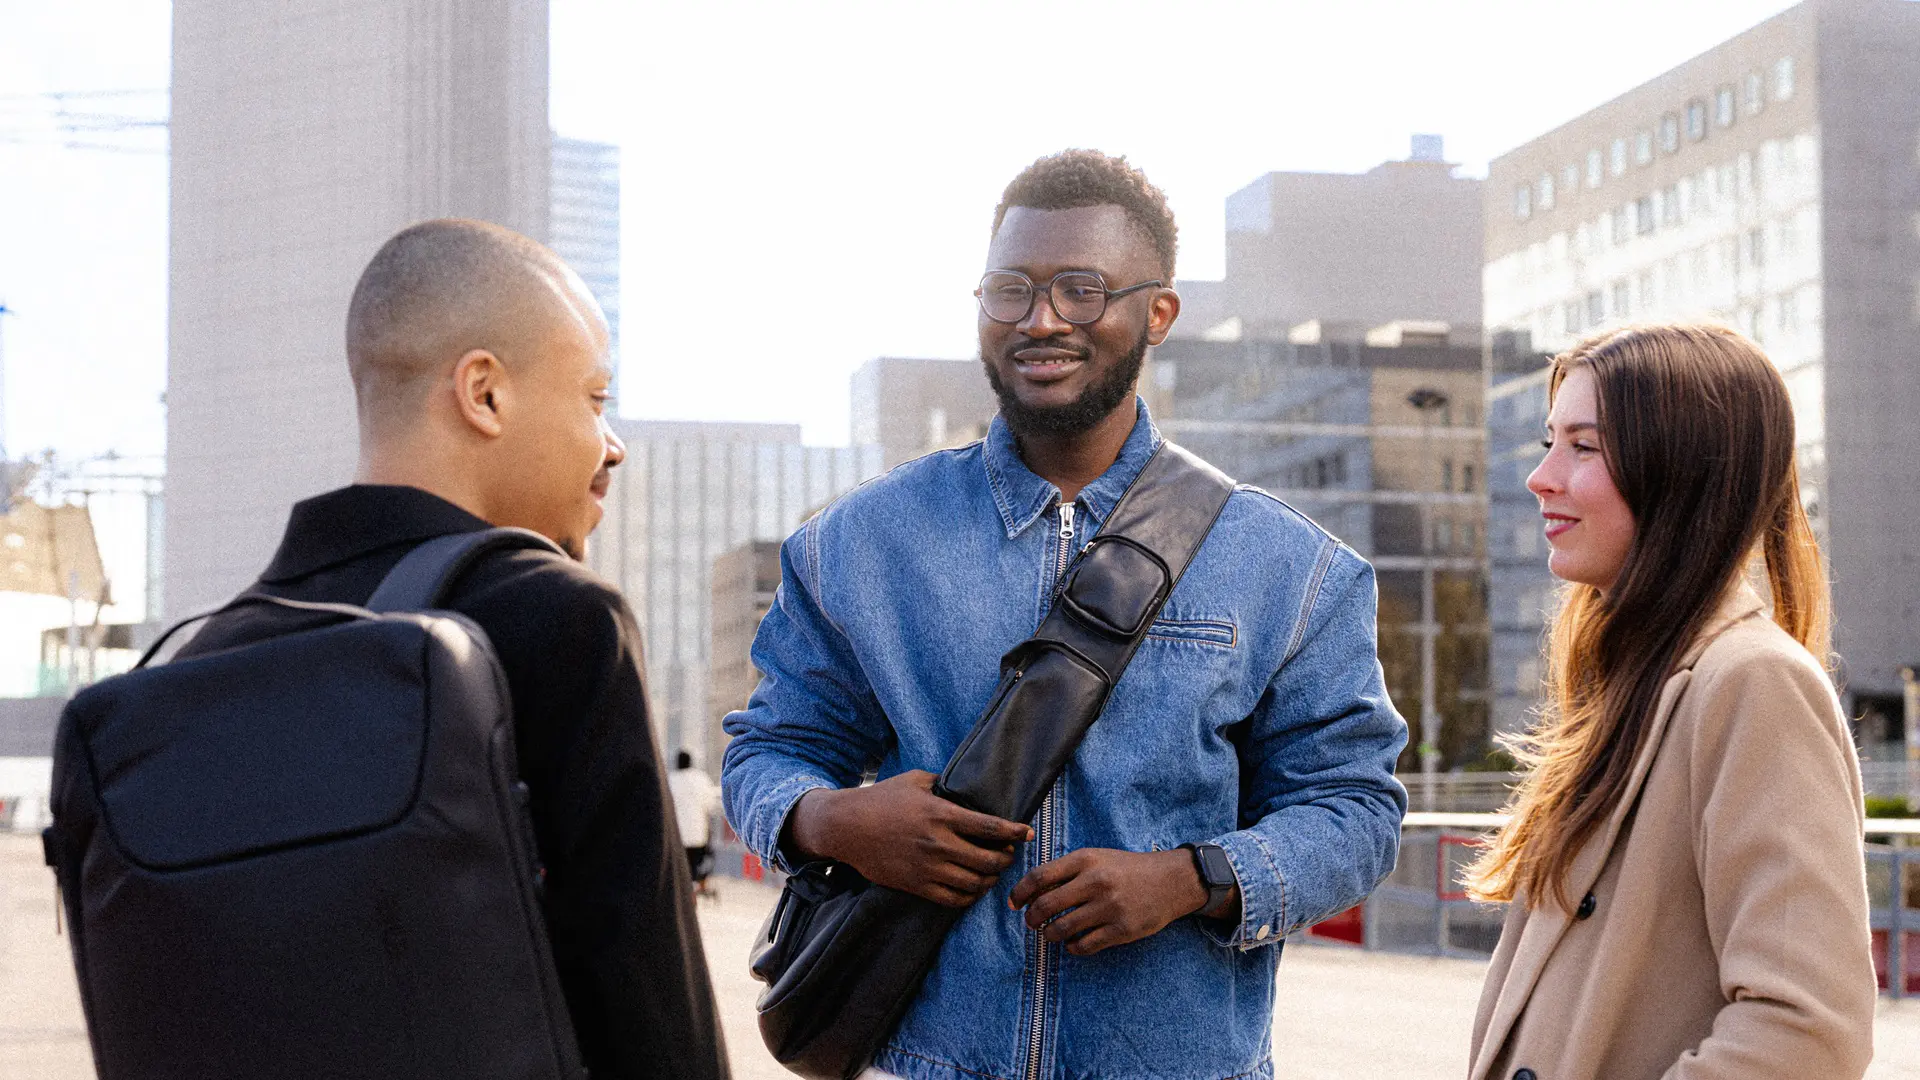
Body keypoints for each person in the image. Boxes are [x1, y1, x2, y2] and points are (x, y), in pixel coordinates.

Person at [722, 150, 1408, 1080]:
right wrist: (832, 820)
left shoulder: (1296, 570)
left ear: (1157, 312)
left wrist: (1192, 879)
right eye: (1011, 289)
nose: (1041, 321)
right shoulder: (857, 543)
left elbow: (1356, 811)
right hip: (921, 1062)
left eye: (1082, 289)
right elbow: (767, 751)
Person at [178, 219, 729, 1080]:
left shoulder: (202, 661)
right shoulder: (557, 618)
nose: (611, 443)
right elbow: (650, 1018)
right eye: (593, 397)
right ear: (485, 394)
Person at [1465, 324, 1876, 1080]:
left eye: (1582, 447)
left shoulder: (1752, 683)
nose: (1542, 477)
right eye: (1550, 441)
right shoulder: (1635, 681)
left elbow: (1808, 1032)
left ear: (1679, 471)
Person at [669, 750, 722, 898]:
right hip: (698, 832)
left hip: (677, 835)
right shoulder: (701, 779)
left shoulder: (670, 779)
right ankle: (694, 887)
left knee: (680, 864)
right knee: (696, 863)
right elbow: (710, 804)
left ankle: (684, 891)